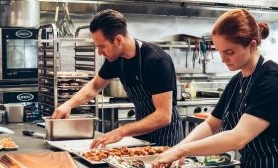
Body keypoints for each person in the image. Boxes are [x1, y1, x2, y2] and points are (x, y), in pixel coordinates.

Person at [152, 8, 278, 168]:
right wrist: (179, 148)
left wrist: (181, 150)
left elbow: (238, 138)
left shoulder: (274, 79)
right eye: (219, 51)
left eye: (229, 52)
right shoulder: (237, 81)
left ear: (252, 45)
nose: (222, 59)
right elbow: (211, 124)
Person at [51, 9, 184, 148]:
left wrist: (121, 131)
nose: (99, 52)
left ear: (118, 40)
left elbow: (163, 116)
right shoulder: (115, 59)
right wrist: (68, 105)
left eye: (102, 47)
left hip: (166, 138)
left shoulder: (156, 60)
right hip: (141, 134)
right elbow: (95, 86)